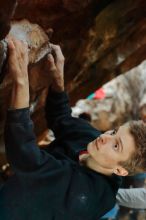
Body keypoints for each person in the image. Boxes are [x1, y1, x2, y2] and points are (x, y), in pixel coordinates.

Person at [0, 37, 146, 220]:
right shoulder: (94, 142)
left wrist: (21, 80)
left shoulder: (85, 196)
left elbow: (26, 156)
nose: (105, 137)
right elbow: (62, 118)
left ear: (120, 170)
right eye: (114, 131)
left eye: (116, 146)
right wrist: (58, 81)